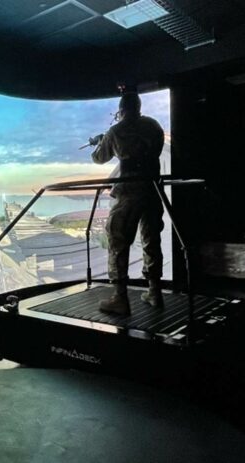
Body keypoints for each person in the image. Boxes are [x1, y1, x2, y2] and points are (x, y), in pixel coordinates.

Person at [91, 92, 165, 315]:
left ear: (121, 110)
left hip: (131, 193)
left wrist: (101, 141)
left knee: (117, 239)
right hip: (153, 190)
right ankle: (155, 292)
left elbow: (98, 158)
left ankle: (120, 298)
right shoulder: (154, 126)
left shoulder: (116, 131)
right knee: (152, 240)